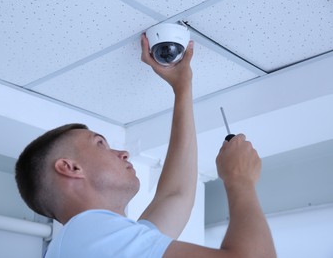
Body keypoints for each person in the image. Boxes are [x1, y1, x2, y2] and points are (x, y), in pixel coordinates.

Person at [15, 34, 276, 257]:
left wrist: (182, 88)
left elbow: (176, 194)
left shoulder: (87, 242)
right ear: (71, 167)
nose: (123, 152)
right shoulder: (89, 233)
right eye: (100, 144)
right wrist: (239, 180)